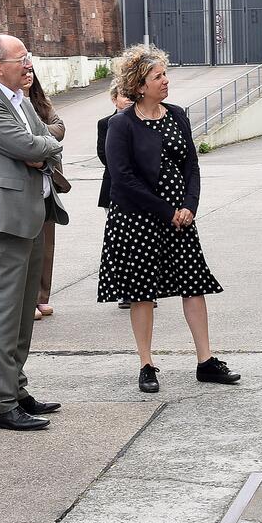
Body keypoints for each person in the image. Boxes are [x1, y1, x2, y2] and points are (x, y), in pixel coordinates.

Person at [98, 44, 240, 394]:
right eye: (157, 76)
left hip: (181, 218)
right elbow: (123, 177)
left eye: (164, 74)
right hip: (139, 220)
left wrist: (190, 204)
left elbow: (191, 165)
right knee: (142, 291)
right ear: (139, 85)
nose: (165, 81)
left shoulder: (176, 114)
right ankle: (146, 363)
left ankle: (205, 361)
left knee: (194, 284)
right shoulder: (122, 124)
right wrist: (166, 210)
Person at [0, 33, 68, 431]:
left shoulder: (18, 98)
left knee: (24, 312)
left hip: (31, 211)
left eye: (28, 57)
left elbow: (48, 138)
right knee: (5, 312)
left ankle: (16, 389)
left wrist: (41, 149)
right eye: (21, 59)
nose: (28, 65)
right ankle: (1, 405)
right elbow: (31, 145)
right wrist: (41, 149)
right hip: (4, 219)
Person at [25, 66, 67, 319]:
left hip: (47, 180)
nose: (28, 75)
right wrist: (43, 137)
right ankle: (27, 299)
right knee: (26, 244)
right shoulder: (7, 104)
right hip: (25, 181)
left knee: (46, 244)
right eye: (23, 70)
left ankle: (42, 297)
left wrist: (37, 133)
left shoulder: (41, 102)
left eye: (31, 72)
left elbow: (59, 128)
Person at [96, 83, 134, 309]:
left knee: (142, 241)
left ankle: (145, 289)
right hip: (114, 189)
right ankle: (123, 290)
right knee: (120, 241)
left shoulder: (143, 121)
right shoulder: (105, 124)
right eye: (123, 95)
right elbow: (104, 156)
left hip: (144, 191)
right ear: (114, 99)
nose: (128, 99)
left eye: (131, 94)